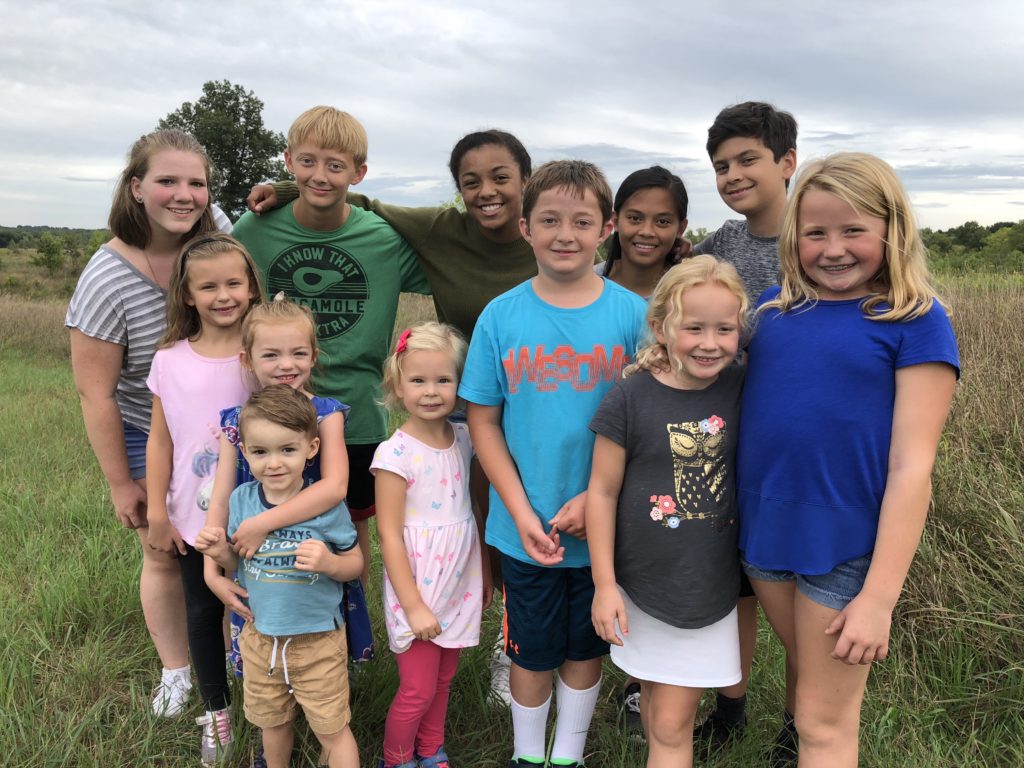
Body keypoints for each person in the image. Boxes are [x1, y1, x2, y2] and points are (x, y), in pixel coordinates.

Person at [249, 128, 537, 703]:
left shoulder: (548, 232)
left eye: (501, 178)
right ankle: (391, 638)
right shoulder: (442, 230)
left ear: (525, 181)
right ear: (457, 190)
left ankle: (514, 649)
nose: (486, 191)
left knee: (523, 533)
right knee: (477, 525)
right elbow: (362, 200)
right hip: (463, 406)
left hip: (538, 406)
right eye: (471, 182)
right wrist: (288, 186)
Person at [739, 152, 959, 767]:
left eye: (853, 230)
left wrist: (879, 599)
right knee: (809, 686)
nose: (833, 249)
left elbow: (913, 467)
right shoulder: (771, 310)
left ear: (891, 229)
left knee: (822, 721)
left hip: (845, 547)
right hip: (764, 538)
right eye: (815, 233)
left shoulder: (914, 321)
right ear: (794, 236)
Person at [460, 160, 648, 768]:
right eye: (549, 220)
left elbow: (649, 417)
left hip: (602, 523)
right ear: (524, 228)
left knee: (584, 645)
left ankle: (568, 757)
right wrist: (519, 510)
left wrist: (594, 501)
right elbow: (483, 421)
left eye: (581, 221)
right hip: (525, 527)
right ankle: (526, 756)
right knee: (530, 651)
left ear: (607, 229)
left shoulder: (632, 316)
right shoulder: (501, 315)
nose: (565, 234)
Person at [231, 106, 430, 588]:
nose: (320, 176)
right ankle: (281, 623)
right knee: (269, 517)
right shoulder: (253, 230)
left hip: (358, 413)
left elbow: (452, 262)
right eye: (308, 162)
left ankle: (351, 640)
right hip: (275, 416)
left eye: (335, 166)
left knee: (349, 528)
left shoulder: (382, 239)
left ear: (358, 173)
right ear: (288, 161)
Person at [66, 128, 217, 717]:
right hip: (141, 426)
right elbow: (95, 393)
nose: (184, 195)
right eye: (167, 182)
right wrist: (120, 483)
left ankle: (233, 654)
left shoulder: (213, 238)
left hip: (216, 426)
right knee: (163, 550)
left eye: (197, 183)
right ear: (135, 188)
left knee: (224, 543)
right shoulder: (107, 278)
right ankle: (177, 673)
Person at [587, 255, 747, 767]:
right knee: (657, 709)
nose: (710, 342)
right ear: (660, 327)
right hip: (641, 585)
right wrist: (605, 584)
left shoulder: (742, 384)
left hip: (705, 590)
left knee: (671, 723)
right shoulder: (630, 396)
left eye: (725, 328)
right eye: (693, 327)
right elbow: (602, 492)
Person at [688, 101, 799, 758]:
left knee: (796, 598)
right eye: (721, 165)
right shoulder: (719, 247)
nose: (732, 175)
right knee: (736, 590)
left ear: (787, 161)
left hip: (790, 448)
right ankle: (731, 707)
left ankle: (798, 722)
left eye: (747, 160)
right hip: (722, 443)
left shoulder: (817, 240)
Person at [197, 385, 363, 768]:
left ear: (311, 449)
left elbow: (355, 565)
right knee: (272, 724)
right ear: (245, 453)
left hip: (318, 641)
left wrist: (329, 563)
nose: (274, 463)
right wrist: (217, 550)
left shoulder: (325, 506)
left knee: (332, 731)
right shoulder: (242, 501)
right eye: (260, 451)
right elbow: (238, 562)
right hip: (261, 640)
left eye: (287, 450)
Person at [145, 233, 263, 763]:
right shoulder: (169, 360)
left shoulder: (262, 356)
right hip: (192, 513)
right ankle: (216, 711)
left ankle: (275, 701)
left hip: (261, 512)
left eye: (234, 283)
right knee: (201, 606)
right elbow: (160, 438)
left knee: (262, 606)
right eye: (208, 286)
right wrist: (156, 510)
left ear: (252, 287)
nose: (224, 295)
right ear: (187, 294)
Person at [370, 322, 488, 768]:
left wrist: (486, 576)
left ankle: (431, 750)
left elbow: (472, 513)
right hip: (418, 584)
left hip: (459, 580)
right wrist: (414, 605)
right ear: (398, 387)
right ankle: (397, 759)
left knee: (443, 679)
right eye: (418, 380)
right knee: (417, 687)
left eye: (444, 380)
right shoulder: (394, 455)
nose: (432, 391)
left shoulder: (463, 439)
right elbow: (390, 536)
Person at [597, 166, 689, 299]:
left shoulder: (692, 293)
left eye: (662, 222)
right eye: (635, 218)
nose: (647, 232)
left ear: (680, 229)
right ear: (615, 221)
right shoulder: (584, 285)